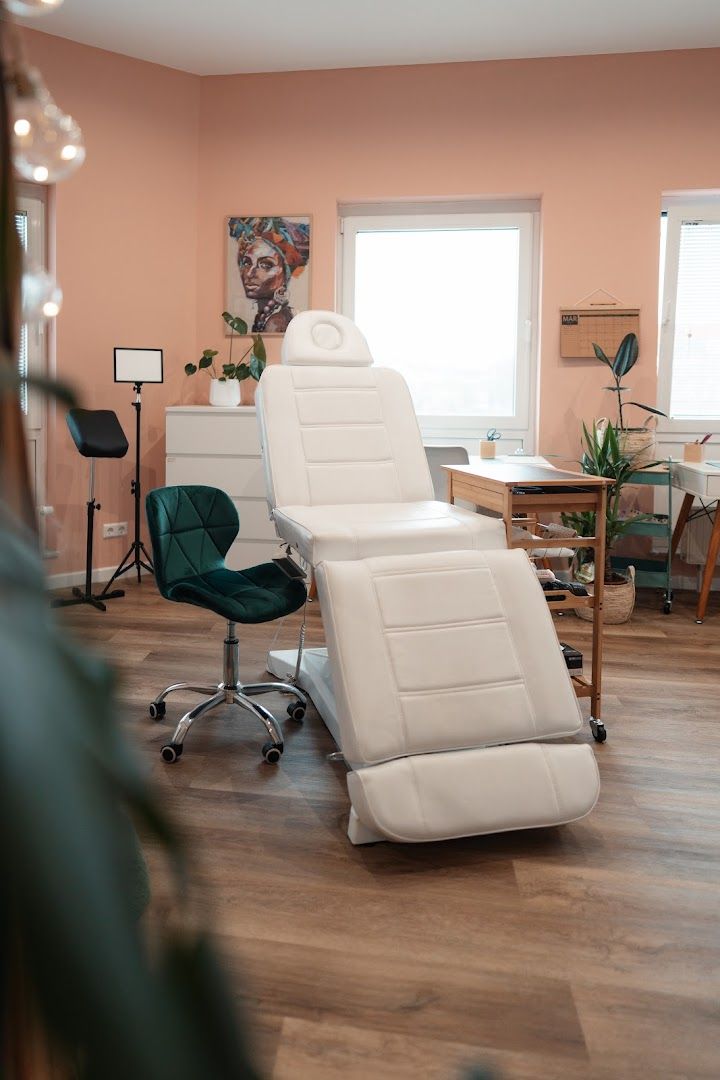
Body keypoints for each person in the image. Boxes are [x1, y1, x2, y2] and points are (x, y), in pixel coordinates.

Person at [228, 216, 310, 333]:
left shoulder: (277, 322)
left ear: (285, 273)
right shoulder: (267, 317)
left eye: (266, 265)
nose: (250, 273)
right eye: (246, 262)